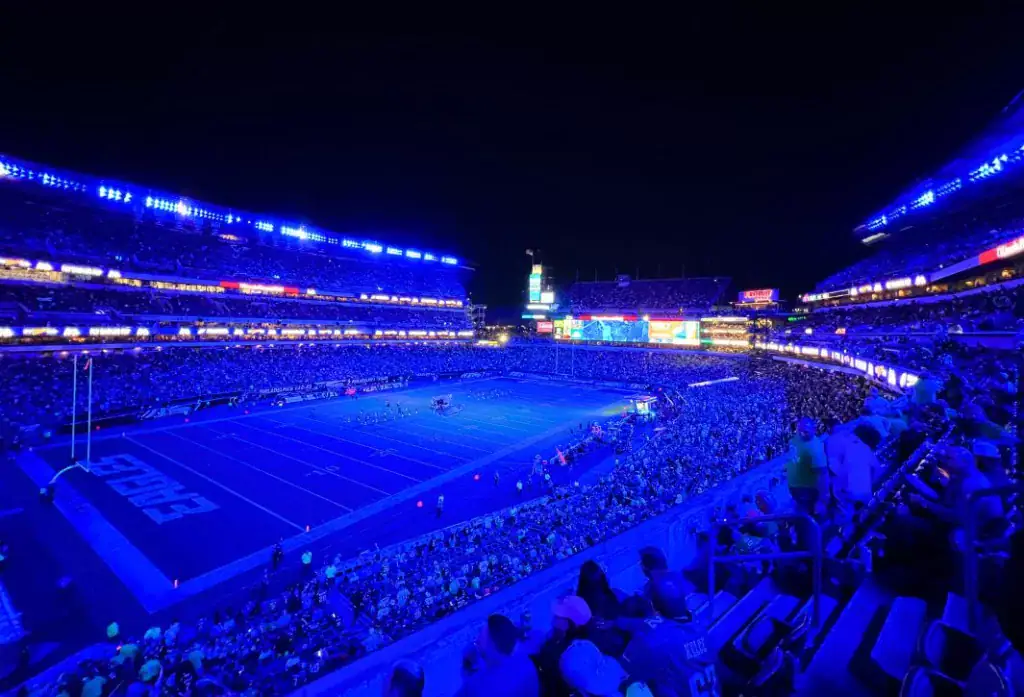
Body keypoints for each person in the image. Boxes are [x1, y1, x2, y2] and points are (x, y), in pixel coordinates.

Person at [619, 573, 720, 697]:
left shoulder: (655, 639)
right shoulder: (701, 623)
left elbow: (627, 668)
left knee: (631, 687)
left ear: (654, 607)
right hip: (713, 692)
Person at [457, 614, 539, 697]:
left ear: (492, 647)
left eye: (482, 652)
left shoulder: (480, 686)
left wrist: (467, 671)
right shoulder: (527, 663)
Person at [786, 417, 829, 521]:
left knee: (807, 518)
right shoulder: (795, 440)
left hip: (807, 491)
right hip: (796, 489)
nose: (801, 434)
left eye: (805, 431)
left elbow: (822, 475)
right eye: (799, 431)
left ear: (813, 430)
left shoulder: (816, 449)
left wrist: (822, 499)